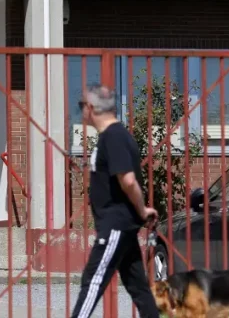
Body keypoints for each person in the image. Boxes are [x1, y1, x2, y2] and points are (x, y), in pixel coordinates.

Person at [70, 84, 160, 318]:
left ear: (90, 108)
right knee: (138, 288)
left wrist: (142, 210)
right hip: (122, 226)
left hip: (116, 225)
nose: (81, 111)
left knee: (93, 281)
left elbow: (128, 180)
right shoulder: (116, 136)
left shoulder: (114, 136)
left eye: (81, 106)